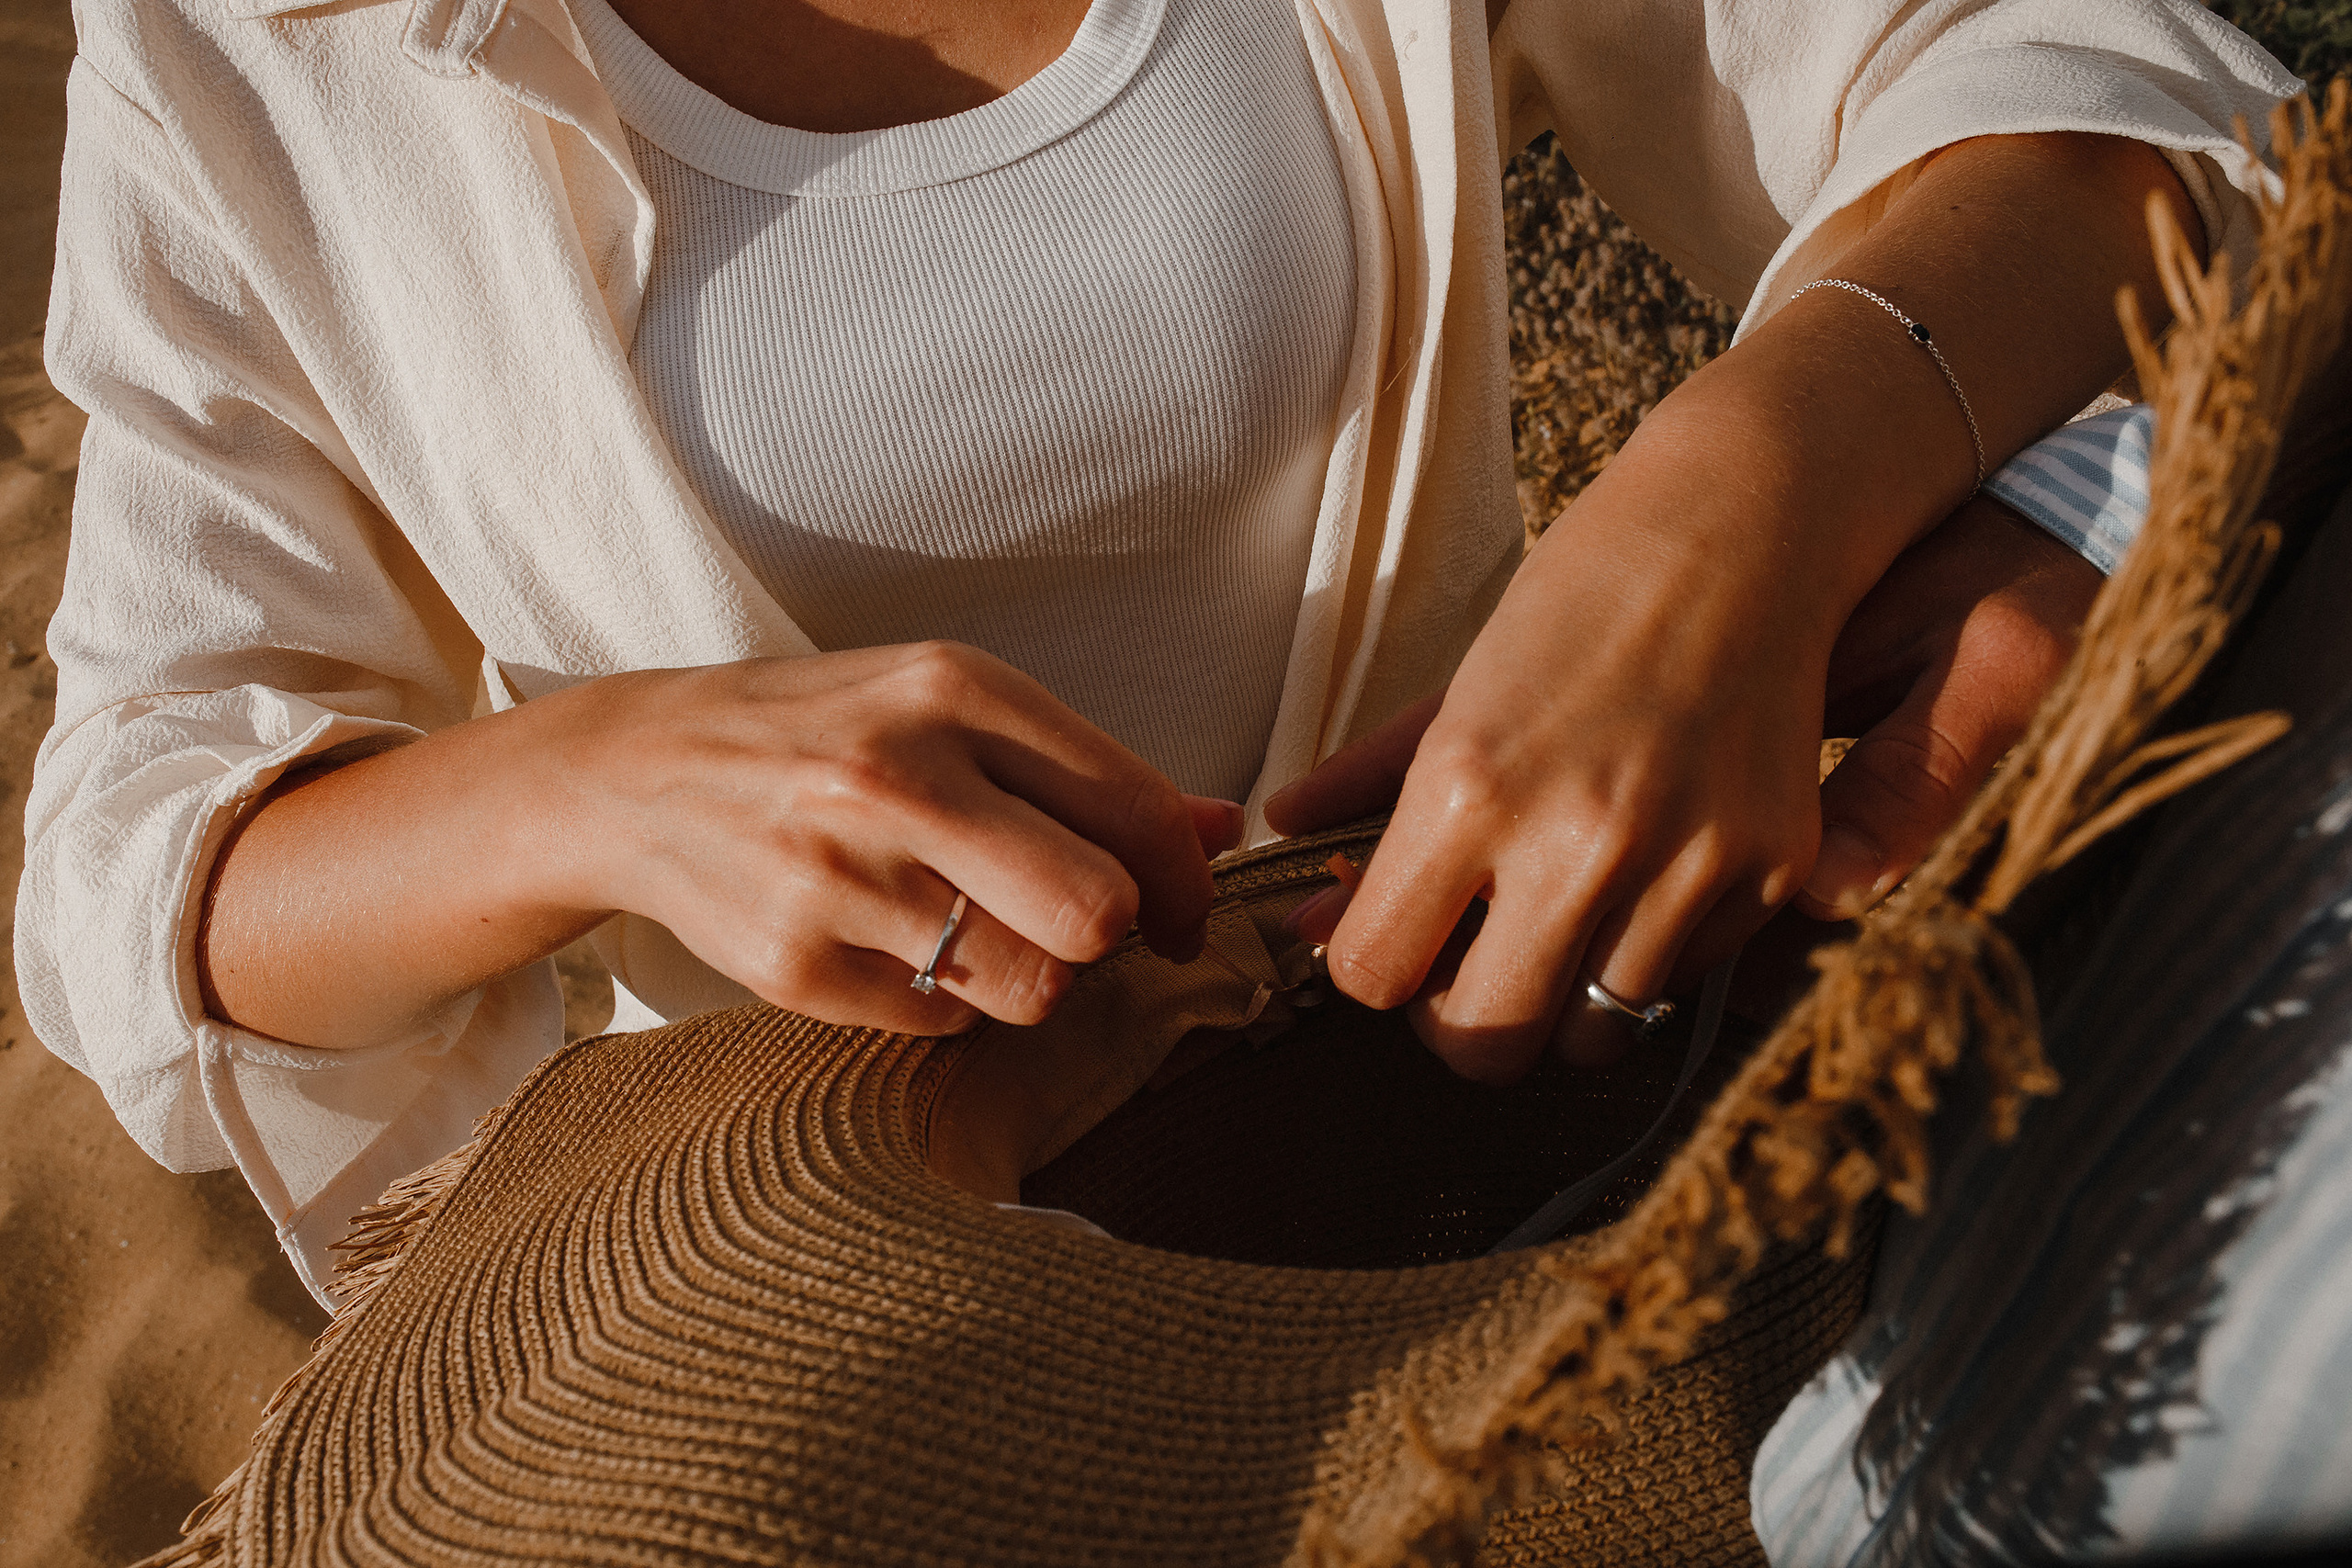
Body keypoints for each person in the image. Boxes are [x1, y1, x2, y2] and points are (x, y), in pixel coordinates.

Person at [17, 0, 2300, 1298]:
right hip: (860, 1295)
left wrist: (1740, 490)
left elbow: (2070, 64)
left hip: (1516, 1120)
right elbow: (134, 867)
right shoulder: (250, 47)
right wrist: (599, 784)